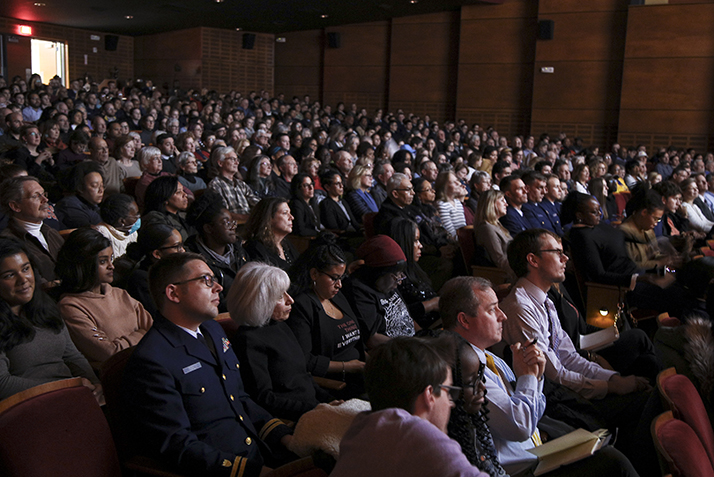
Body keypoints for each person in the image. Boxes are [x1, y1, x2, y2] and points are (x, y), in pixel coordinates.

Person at [439, 276, 640, 477]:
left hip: (538, 452)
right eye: (492, 310)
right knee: (614, 462)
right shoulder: (464, 369)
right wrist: (529, 378)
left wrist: (537, 373)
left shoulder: (489, 356)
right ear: (464, 320)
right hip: (522, 471)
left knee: (609, 445)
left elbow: (533, 414)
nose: (503, 316)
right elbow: (519, 428)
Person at [500, 228, 657, 475]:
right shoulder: (520, 308)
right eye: (557, 253)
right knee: (649, 402)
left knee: (646, 381)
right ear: (533, 260)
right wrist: (611, 387)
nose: (566, 259)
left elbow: (570, 356)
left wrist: (613, 378)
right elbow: (554, 375)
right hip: (555, 406)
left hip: (569, 395)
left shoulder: (545, 300)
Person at [120, 253, 294, 476]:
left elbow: (239, 398)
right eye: (206, 280)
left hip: (259, 452)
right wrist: (254, 471)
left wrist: (284, 437)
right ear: (173, 293)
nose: (219, 287)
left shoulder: (211, 329)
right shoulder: (152, 360)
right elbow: (178, 445)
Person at [330, 337, 489, 477]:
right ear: (429, 395)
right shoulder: (419, 437)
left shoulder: (360, 429)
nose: (451, 403)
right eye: (448, 392)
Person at [228, 262, 334, 421]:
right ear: (259, 300)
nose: (290, 300)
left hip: (315, 408)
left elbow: (303, 377)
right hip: (292, 419)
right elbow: (263, 398)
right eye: (279, 296)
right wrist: (316, 409)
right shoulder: (248, 340)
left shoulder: (281, 326)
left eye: (287, 293)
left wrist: (329, 401)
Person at [0, 238, 101, 401]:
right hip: (30, 406)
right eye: (10, 275)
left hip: (73, 396)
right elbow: (2, 384)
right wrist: (66, 388)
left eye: (25, 269)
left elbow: (72, 356)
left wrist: (96, 385)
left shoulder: (46, 307)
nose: (23, 279)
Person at [55, 228, 152, 370]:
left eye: (111, 258)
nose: (111, 266)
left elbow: (155, 332)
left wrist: (131, 340)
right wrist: (141, 333)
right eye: (102, 261)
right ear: (83, 264)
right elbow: (110, 353)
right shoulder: (70, 306)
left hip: (148, 364)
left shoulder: (120, 294)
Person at [287, 234, 366, 398]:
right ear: (314, 274)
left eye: (342, 278)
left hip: (359, 372)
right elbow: (306, 361)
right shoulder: (302, 306)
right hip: (336, 383)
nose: (340, 284)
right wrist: (348, 366)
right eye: (334, 278)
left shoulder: (337, 296)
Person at [343, 235, 415, 347]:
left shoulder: (387, 284)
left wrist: (422, 337)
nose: (399, 282)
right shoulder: (359, 290)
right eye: (396, 276)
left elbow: (408, 318)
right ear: (379, 273)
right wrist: (414, 346)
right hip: (393, 350)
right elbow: (372, 339)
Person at [185, 191, 248, 306]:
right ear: (208, 228)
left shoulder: (239, 249)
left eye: (232, 222)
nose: (233, 227)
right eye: (226, 223)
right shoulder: (196, 261)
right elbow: (217, 303)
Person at [0, 176, 64, 284]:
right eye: (36, 196)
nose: (45, 200)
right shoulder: (9, 241)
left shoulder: (50, 231)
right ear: (15, 206)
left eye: (44, 194)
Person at [120, 223, 184, 318]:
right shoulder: (141, 279)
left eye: (182, 245)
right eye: (176, 246)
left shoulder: (173, 271)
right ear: (157, 254)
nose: (182, 250)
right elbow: (158, 315)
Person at [389, 217, 441, 329]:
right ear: (403, 242)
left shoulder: (414, 268)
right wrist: (431, 304)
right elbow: (397, 314)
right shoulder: (393, 277)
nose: (420, 245)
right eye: (415, 240)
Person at [243, 197, 298, 271]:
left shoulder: (286, 244)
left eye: (290, 213)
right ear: (269, 218)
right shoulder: (256, 247)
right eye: (285, 213)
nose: (291, 217)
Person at [208, 146, 260, 221]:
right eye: (232, 159)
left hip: (250, 223)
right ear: (220, 163)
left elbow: (256, 202)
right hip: (234, 225)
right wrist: (247, 218)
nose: (237, 163)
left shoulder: (241, 184)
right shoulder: (215, 184)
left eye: (237, 160)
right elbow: (221, 212)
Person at [474, 190, 514, 278]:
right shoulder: (486, 228)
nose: (506, 204)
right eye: (502, 200)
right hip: (503, 274)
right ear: (491, 203)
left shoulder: (497, 225)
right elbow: (499, 260)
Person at [142, 175, 193, 241]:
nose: (185, 195)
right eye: (179, 192)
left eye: (183, 190)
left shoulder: (180, 216)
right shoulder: (155, 219)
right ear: (165, 198)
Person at [55, 161, 105, 229]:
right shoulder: (69, 206)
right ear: (80, 188)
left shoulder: (92, 204)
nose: (101, 190)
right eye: (94, 186)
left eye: (102, 185)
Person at [94, 193, 140, 259]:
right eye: (136, 215)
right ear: (122, 221)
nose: (139, 217)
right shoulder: (101, 234)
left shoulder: (132, 233)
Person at [319, 169, 360, 234]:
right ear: (327, 187)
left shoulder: (343, 201)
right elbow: (333, 228)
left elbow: (354, 222)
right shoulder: (326, 204)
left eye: (342, 183)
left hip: (354, 233)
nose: (341, 186)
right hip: (343, 237)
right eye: (337, 184)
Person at [435, 171, 467, 237]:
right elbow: (450, 232)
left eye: (457, 180)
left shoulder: (458, 202)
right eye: (453, 182)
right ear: (445, 187)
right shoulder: (442, 205)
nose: (458, 183)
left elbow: (463, 226)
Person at [289, 172, 322, 237]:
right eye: (306, 185)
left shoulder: (313, 203)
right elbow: (300, 230)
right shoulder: (296, 204)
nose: (311, 188)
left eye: (312, 184)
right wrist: (320, 234)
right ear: (298, 188)